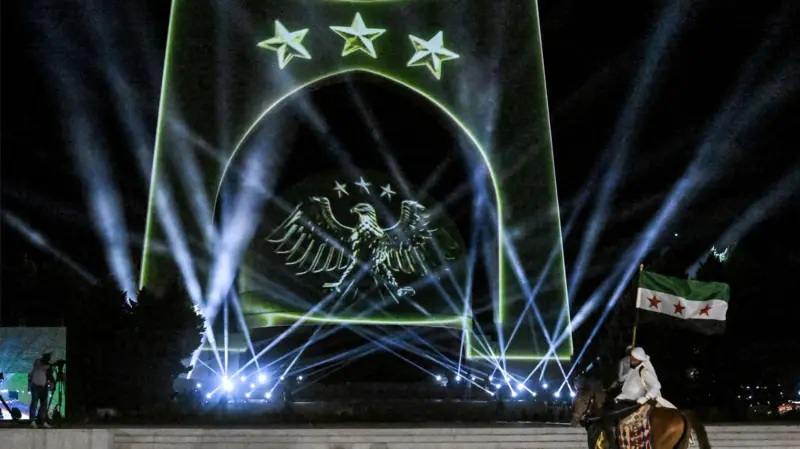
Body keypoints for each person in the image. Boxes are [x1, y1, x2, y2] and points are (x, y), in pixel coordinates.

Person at [601, 347, 661, 449]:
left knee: (610, 418)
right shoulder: (634, 368)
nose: (631, 359)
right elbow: (625, 377)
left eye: (634, 358)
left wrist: (646, 397)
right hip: (623, 398)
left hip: (632, 401)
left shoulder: (643, 371)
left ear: (639, 359)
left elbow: (656, 385)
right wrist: (615, 382)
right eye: (631, 357)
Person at [29, 351, 53, 428]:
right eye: (48, 356)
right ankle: (32, 421)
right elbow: (43, 365)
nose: (49, 358)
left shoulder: (47, 366)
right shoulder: (38, 362)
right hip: (35, 386)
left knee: (43, 405)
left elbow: (49, 375)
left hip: (43, 387)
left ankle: (43, 421)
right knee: (34, 403)